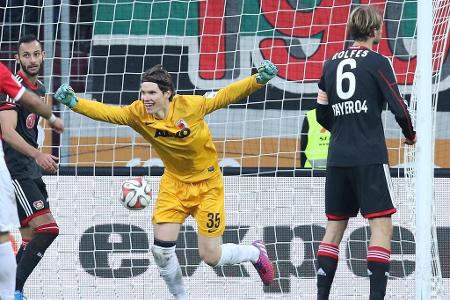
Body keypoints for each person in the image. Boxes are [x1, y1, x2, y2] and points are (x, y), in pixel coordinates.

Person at [54, 61, 278, 299]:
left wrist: (258, 80)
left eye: (151, 93)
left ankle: (254, 252)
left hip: (208, 186)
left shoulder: (192, 106)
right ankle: (181, 297)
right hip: (174, 185)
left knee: (211, 257)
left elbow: (226, 95)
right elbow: (108, 113)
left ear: (168, 93)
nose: (145, 98)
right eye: (143, 93)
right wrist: (74, 103)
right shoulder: (138, 114)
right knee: (161, 252)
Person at [314, 6, 416, 300]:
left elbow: (321, 113)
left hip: (338, 157)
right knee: (381, 225)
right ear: (375, 31)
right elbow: (399, 107)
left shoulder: (331, 64)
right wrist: (410, 136)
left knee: (334, 227)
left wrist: (342, 128)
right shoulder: (378, 62)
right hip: (369, 156)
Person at [0, 35, 61, 300]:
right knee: (47, 229)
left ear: (43, 55)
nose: (32, 60)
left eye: (36, 54)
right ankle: (13, 289)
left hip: (30, 170)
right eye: (26, 55)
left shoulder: (39, 89)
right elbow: (8, 132)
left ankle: (12, 289)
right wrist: (37, 156)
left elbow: (31, 131)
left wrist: (41, 159)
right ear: (17, 59)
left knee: (31, 235)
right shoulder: (10, 88)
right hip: (14, 171)